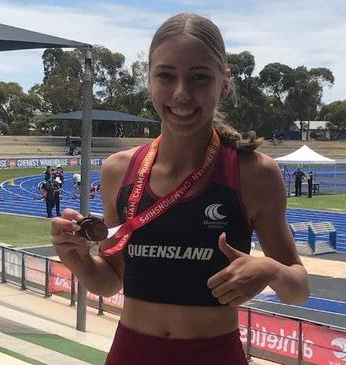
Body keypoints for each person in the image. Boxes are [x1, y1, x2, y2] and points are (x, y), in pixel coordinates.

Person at [50, 13, 309, 365]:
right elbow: (111, 281)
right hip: (132, 353)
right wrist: (77, 259)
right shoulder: (119, 171)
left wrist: (270, 270)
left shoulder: (253, 174)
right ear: (150, 80)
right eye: (166, 76)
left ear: (224, 82)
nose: (181, 94)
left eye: (199, 77)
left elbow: (298, 287)